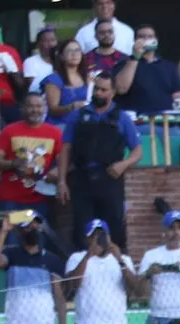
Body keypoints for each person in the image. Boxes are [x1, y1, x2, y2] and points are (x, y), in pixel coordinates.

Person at [55, 72, 139, 252]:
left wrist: (123, 164)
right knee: (81, 231)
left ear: (113, 92)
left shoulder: (122, 117)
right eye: (96, 89)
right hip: (82, 179)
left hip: (110, 179)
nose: (98, 93)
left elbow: (137, 151)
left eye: (103, 90)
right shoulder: (78, 116)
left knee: (115, 230)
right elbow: (65, 149)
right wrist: (62, 181)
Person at [0, 92, 62, 219]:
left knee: (38, 238)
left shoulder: (55, 133)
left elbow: (65, 161)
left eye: (39, 106)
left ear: (44, 108)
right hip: (11, 199)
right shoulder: (9, 130)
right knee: (13, 238)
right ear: (22, 108)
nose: (35, 110)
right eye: (30, 106)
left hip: (42, 198)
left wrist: (58, 171)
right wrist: (13, 163)